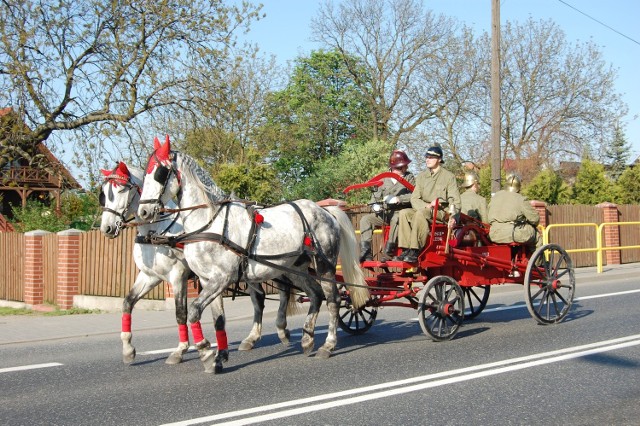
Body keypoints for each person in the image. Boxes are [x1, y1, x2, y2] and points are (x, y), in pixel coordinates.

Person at [394, 146, 461, 263]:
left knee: (420, 213)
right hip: (425, 209)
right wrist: (427, 206)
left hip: (440, 213)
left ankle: (415, 249)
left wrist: (454, 217)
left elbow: (455, 200)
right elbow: (414, 199)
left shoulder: (448, 177)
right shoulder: (421, 176)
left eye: (431, 157)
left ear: (439, 159)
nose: (427, 159)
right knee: (404, 213)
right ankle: (405, 249)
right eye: (427, 157)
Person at [359, 150, 415, 262]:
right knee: (365, 219)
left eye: (404, 167)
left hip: (400, 212)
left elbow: (415, 196)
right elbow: (374, 196)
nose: (404, 169)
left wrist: (399, 199)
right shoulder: (383, 178)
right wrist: (375, 204)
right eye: (401, 167)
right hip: (384, 213)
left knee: (396, 218)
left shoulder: (409, 177)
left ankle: (389, 250)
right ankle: (366, 252)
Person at [487, 173, 541, 250]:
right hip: (512, 234)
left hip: (493, 234)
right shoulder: (520, 199)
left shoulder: (496, 196)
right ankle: (538, 261)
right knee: (536, 235)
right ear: (519, 188)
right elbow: (535, 219)